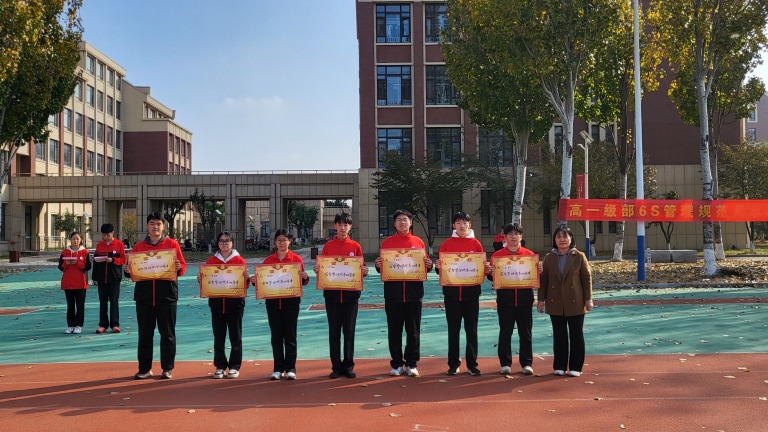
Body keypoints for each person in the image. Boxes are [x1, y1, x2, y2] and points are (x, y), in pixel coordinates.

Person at [126, 212, 187, 380]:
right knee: (145, 334)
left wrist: (178, 266)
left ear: (163, 226)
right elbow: (131, 269)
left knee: (167, 334)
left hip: (167, 296)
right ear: (147, 226)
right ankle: (144, 369)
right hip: (144, 297)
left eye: (158, 224)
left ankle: (167, 368)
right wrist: (128, 269)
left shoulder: (172, 244)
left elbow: (182, 266)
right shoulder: (138, 247)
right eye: (152, 223)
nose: (155, 227)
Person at [374, 210, 433, 378]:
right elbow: (383, 267)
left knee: (413, 331)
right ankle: (397, 364)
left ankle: (412, 363)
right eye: (399, 220)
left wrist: (429, 265)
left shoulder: (418, 242)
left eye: (405, 220)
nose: (402, 222)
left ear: (411, 223)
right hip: (393, 294)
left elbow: (425, 266)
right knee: (394, 331)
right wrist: (378, 265)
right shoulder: (387, 243)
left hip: (414, 294)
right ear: (394, 223)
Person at [313, 212, 369, 379]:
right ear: (335, 226)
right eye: (340, 224)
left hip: (351, 296)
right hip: (332, 296)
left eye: (346, 225)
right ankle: (336, 367)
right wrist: (318, 269)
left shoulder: (355, 246)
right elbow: (323, 268)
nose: (343, 228)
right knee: (334, 332)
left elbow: (361, 268)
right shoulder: (328, 246)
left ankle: (349, 366)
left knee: (349, 332)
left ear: (350, 227)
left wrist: (364, 271)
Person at [435, 211, 490, 376]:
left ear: (469, 225)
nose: (462, 225)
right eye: (458, 222)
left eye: (465, 222)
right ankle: (453, 364)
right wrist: (438, 267)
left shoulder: (476, 244)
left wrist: (486, 269)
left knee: (471, 330)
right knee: (453, 330)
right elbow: (442, 270)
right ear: (453, 225)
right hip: (451, 295)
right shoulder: (446, 244)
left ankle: (472, 364)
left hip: (471, 294)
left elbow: (481, 270)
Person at [537, 226, 593, 377]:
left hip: (576, 301)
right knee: (559, 335)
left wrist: (588, 299)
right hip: (555, 301)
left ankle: (576, 367)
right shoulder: (549, 257)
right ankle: (559, 366)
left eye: (565, 236)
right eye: (558, 237)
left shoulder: (579, 256)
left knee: (576, 335)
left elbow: (586, 279)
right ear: (554, 239)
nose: (562, 240)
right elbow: (544, 280)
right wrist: (541, 299)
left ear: (571, 238)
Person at [487, 223, 540, 376]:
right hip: (505, 301)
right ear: (504, 237)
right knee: (505, 332)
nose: (513, 237)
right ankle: (505, 363)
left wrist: (539, 271)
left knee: (526, 333)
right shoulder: (497, 256)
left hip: (525, 300)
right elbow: (492, 277)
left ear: (521, 237)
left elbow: (535, 277)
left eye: (516, 234)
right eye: (510, 234)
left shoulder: (530, 255)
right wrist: (490, 272)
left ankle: (527, 363)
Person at [258, 229, 309, 381]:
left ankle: (291, 368)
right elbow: (263, 283)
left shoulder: (296, 260)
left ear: (289, 241)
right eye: (279, 240)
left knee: (290, 336)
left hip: (291, 303)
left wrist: (304, 277)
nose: (281, 243)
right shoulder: (268, 261)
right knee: (276, 337)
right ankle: (278, 368)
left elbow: (302, 281)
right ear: (275, 242)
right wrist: (256, 282)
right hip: (273, 303)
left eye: (284, 240)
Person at [198, 231, 249, 380]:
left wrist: (246, 279)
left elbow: (245, 285)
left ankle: (234, 366)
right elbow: (206, 283)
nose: (224, 243)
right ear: (218, 243)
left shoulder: (240, 261)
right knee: (218, 337)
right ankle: (220, 366)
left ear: (232, 243)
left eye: (227, 240)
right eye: (221, 241)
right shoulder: (211, 261)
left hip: (235, 304)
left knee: (235, 337)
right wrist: (201, 279)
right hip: (217, 304)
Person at [91, 223, 126, 334]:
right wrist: (94, 277)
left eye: (107, 234)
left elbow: (123, 260)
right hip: (102, 278)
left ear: (112, 233)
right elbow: (95, 261)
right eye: (104, 235)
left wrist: (113, 260)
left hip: (114, 278)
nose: (105, 237)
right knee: (103, 302)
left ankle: (115, 324)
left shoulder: (119, 244)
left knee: (114, 302)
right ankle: (103, 325)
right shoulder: (99, 245)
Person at [58, 232, 92, 334]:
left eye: (77, 239)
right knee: (70, 305)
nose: (75, 241)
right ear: (70, 240)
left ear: (81, 240)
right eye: (73, 239)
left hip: (80, 283)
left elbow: (88, 267)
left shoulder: (84, 252)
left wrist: (77, 262)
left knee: (80, 306)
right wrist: (66, 263)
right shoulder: (65, 252)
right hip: (68, 283)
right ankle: (70, 325)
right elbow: (60, 267)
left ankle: (78, 325)